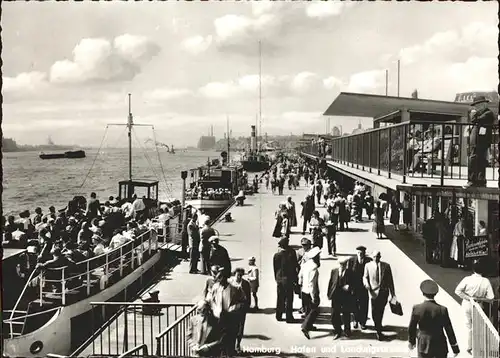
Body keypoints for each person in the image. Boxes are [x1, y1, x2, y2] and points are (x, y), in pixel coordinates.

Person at [409, 280, 460, 358]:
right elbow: (449, 330)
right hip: (440, 344)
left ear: (423, 293)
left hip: (423, 344)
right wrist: (455, 348)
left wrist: (412, 342)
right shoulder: (443, 309)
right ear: (435, 294)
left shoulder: (417, 308)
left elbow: (412, 327)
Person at [454, 259, 495, 355]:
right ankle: (478, 346)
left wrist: (468, 297)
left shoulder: (467, 279)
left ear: (473, 270)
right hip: (478, 305)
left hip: (467, 303)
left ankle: (469, 346)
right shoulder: (486, 281)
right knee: (478, 326)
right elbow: (491, 297)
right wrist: (480, 298)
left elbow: (458, 291)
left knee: (468, 325)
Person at [363, 250, 396, 340]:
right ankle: (378, 327)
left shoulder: (386, 266)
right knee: (374, 312)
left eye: (378, 256)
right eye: (374, 257)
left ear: (380, 257)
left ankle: (378, 328)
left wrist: (393, 294)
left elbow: (390, 281)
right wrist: (366, 284)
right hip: (373, 292)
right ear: (372, 257)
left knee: (381, 311)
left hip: (383, 293)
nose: (376, 258)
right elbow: (365, 277)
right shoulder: (368, 266)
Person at [464, 95, 495, 188]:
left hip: (481, 141)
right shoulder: (482, 113)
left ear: (484, 104)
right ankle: (479, 181)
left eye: (478, 105)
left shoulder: (488, 113)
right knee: (478, 160)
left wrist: (474, 114)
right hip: (477, 141)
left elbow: (475, 120)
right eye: (475, 106)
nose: (476, 107)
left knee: (475, 160)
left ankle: (473, 180)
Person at [327, 257, 354, 340]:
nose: (342, 266)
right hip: (336, 296)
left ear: (346, 265)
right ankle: (337, 331)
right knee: (334, 315)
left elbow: (355, 284)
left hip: (346, 297)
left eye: (344, 264)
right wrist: (329, 294)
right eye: (340, 264)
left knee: (346, 314)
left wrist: (350, 287)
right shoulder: (334, 271)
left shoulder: (350, 273)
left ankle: (347, 331)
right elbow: (331, 282)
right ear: (338, 264)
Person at [273, 238, 299, 323]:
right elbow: (295, 266)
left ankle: (278, 315)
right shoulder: (291, 253)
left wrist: (277, 278)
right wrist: (296, 279)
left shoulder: (277, 255)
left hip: (280, 279)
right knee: (289, 299)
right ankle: (289, 317)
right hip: (289, 279)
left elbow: (275, 268)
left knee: (280, 298)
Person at [348, 246, 372, 330]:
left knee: (364, 304)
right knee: (354, 303)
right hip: (354, 286)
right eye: (358, 253)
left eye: (361, 253)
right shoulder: (351, 260)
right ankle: (355, 320)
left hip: (364, 287)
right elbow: (349, 273)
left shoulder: (369, 261)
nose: (360, 255)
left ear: (364, 253)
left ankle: (363, 322)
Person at [299, 246, 320, 339]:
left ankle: (309, 325)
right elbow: (312, 284)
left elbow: (300, 276)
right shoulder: (314, 267)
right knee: (315, 310)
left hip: (304, 290)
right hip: (310, 291)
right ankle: (305, 327)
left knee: (307, 309)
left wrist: (302, 285)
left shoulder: (305, 264)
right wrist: (314, 296)